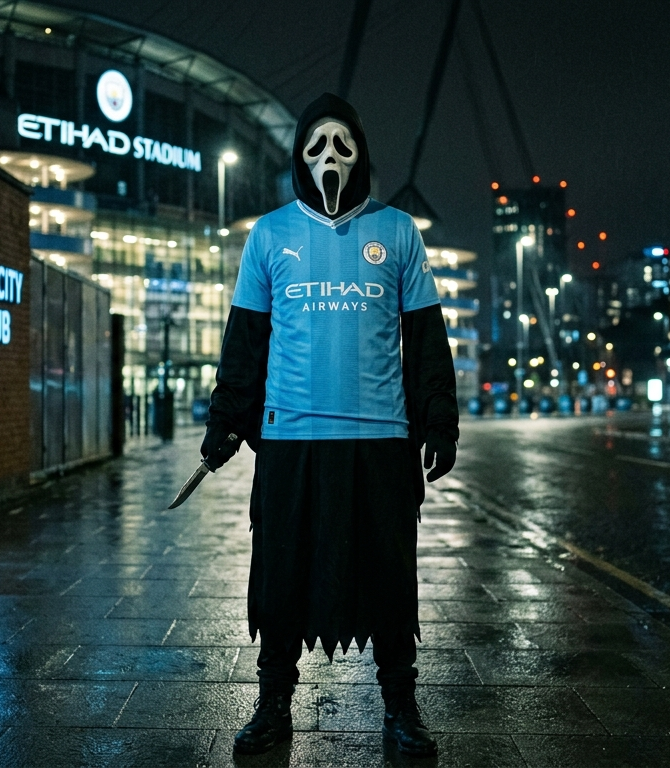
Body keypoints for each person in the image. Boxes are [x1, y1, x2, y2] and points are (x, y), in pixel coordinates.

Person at [200, 93, 458, 757]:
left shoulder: (398, 232)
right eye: (316, 145)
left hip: (381, 441)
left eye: (342, 144)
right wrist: (225, 419)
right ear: (299, 156)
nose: (329, 157)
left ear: (361, 153)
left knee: (391, 577)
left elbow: (426, 338)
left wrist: (439, 419)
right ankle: (272, 705)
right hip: (291, 442)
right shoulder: (268, 236)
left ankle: (400, 707)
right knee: (280, 576)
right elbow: (245, 340)